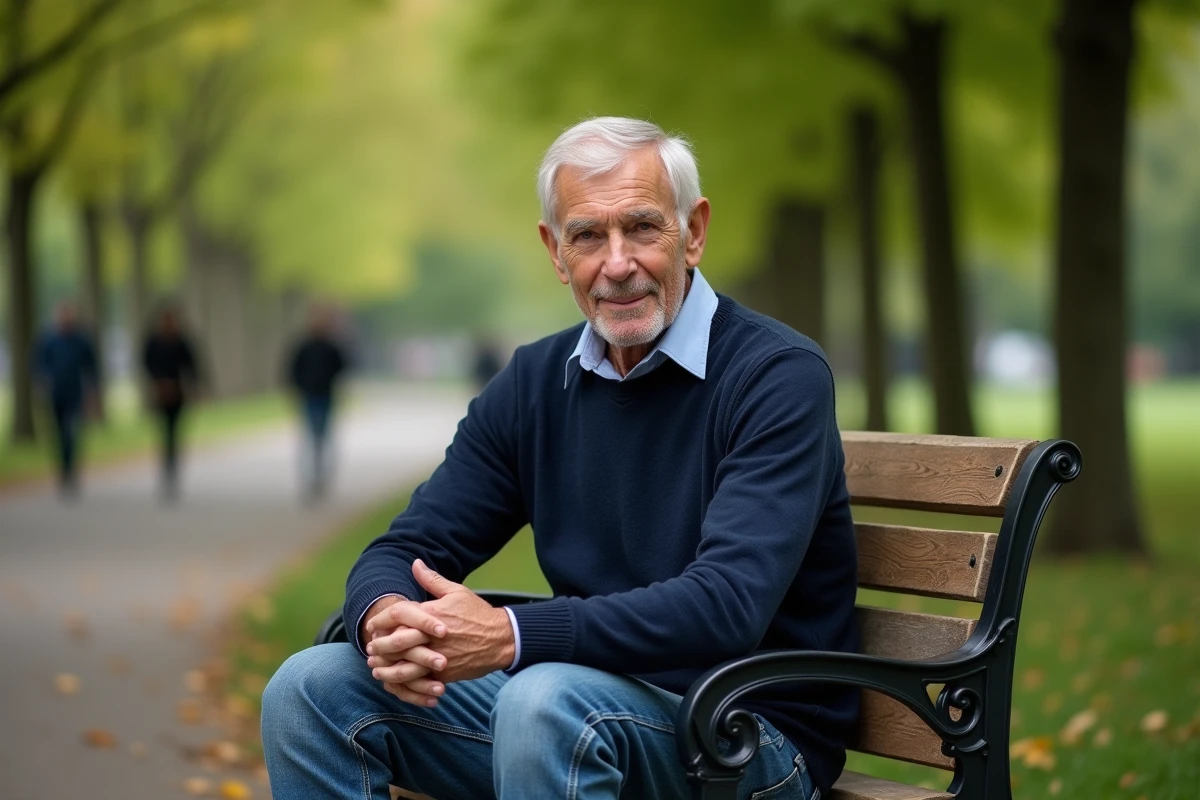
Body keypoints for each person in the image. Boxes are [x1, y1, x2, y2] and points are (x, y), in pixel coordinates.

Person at [262, 117, 859, 800]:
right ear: (554, 250)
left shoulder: (775, 375)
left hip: (744, 732)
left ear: (693, 233)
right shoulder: (534, 383)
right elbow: (408, 545)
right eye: (587, 236)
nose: (616, 263)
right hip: (571, 710)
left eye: (641, 228)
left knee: (543, 700)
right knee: (308, 691)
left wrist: (510, 634)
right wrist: (387, 616)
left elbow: (725, 606)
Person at [35, 302, 98, 497]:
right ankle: (63, 469)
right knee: (59, 433)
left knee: (72, 432)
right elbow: (39, 365)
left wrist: (93, 393)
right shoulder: (49, 341)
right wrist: (42, 384)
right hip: (56, 394)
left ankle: (70, 470)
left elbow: (92, 367)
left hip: (75, 394)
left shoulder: (81, 341)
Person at [286, 307, 350, 500]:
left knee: (323, 438)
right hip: (309, 396)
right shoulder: (303, 347)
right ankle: (310, 478)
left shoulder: (332, 347)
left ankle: (322, 477)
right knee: (310, 438)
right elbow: (293, 370)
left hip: (326, 396)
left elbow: (341, 368)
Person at [142, 305, 200, 501]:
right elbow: (146, 363)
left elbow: (193, 366)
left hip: (177, 394)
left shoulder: (181, 341)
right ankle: (166, 468)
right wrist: (158, 381)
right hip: (160, 394)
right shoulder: (153, 342)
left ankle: (172, 468)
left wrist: (191, 387)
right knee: (164, 433)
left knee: (174, 433)